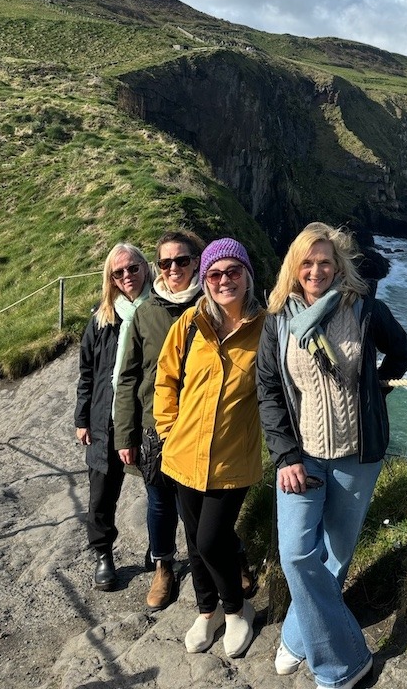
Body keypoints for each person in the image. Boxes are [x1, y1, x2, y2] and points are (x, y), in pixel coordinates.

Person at [256, 222, 407, 689]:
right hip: (302, 457)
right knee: (296, 553)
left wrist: (375, 392)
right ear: (294, 267)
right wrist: (285, 456)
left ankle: (298, 635)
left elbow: (402, 351)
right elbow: (267, 389)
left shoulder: (364, 309)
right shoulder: (278, 321)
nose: (316, 270)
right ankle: (344, 665)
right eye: (307, 262)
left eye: (325, 261)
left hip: (356, 457)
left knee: (336, 555)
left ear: (338, 265)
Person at [154, 237, 264, 658]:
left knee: (212, 538)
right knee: (194, 540)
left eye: (233, 271)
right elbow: (165, 378)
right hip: (182, 455)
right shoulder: (190, 323)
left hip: (233, 458)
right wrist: (167, 429)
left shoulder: (266, 328)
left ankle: (237, 610)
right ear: (205, 280)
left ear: (247, 275)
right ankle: (206, 612)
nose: (224, 281)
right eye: (214, 274)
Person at [114, 229, 205, 610]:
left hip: (202, 423)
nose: (173, 269)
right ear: (157, 267)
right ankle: (163, 567)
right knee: (160, 503)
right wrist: (124, 435)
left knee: (203, 503)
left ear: (196, 262)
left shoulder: (213, 305)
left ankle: (227, 557)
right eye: (165, 262)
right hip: (155, 426)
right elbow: (128, 376)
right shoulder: (145, 314)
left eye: (182, 261)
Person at [74, 241, 152, 590]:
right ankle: (103, 553)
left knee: (160, 486)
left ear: (145, 267)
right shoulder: (101, 317)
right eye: (118, 272)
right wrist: (82, 418)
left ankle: (159, 550)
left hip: (147, 414)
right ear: (110, 277)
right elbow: (87, 371)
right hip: (104, 416)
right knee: (102, 491)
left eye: (133, 268)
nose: (126, 276)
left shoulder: (161, 310)